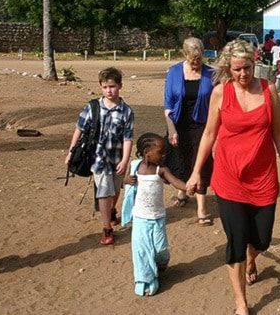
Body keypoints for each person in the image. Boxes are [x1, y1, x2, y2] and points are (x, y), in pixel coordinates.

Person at [186, 39, 280, 315]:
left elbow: (279, 133)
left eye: (247, 68)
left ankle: (252, 256)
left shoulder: (268, 90)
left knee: (262, 239)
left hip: (263, 178)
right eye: (237, 70)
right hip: (229, 178)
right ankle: (241, 303)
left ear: (254, 64)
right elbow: (209, 134)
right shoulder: (221, 93)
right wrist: (196, 172)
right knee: (236, 240)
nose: (243, 74)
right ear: (228, 69)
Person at [66, 67, 134, 245]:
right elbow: (79, 130)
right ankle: (107, 228)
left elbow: (128, 138)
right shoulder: (92, 107)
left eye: (112, 86)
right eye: (104, 87)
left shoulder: (126, 112)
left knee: (115, 190)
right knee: (104, 191)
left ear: (120, 86)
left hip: (117, 158)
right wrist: (71, 152)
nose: (108, 91)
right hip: (98, 159)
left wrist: (125, 160)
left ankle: (111, 211)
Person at [123, 132, 187, 296]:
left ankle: (160, 263)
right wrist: (126, 181)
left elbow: (176, 182)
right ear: (146, 153)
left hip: (157, 217)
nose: (164, 155)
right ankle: (145, 280)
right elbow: (123, 181)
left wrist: (189, 187)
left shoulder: (161, 171)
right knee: (142, 251)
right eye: (161, 152)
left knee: (160, 248)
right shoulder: (136, 167)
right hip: (140, 218)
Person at [163, 37, 215, 226]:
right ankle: (182, 191)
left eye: (199, 60)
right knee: (182, 158)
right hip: (178, 123)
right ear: (185, 55)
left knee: (200, 163)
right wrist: (171, 129)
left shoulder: (211, 73)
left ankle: (201, 208)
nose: (196, 64)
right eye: (193, 61)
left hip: (202, 125)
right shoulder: (174, 72)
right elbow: (168, 104)